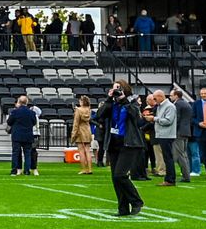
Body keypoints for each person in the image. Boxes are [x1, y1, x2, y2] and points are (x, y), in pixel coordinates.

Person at [97, 80, 146, 216]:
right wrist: (109, 98)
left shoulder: (132, 102)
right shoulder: (111, 104)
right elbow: (99, 115)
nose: (116, 92)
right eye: (114, 89)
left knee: (120, 175)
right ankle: (123, 208)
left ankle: (136, 201)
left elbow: (137, 119)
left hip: (129, 143)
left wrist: (124, 100)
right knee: (115, 178)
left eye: (118, 89)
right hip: (113, 144)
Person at [149, 91, 178, 186]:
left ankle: (170, 179)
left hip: (167, 135)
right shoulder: (161, 106)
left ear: (160, 96)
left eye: (155, 98)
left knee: (168, 158)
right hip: (162, 134)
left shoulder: (169, 106)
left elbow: (168, 121)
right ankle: (169, 179)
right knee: (166, 158)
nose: (154, 100)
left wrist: (154, 119)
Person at [6, 96, 38, 176]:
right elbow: (34, 122)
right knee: (27, 154)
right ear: (26, 103)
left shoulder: (15, 112)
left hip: (17, 135)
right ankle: (27, 171)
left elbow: (9, 122)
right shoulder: (32, 112)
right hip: (28, 135)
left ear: (19, 102)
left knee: (15, 153)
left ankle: (14, 171)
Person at [191, 86, 206, 179]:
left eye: (205, 93)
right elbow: (192, 118)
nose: (203, 95)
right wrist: (199, 123)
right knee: (203, 153)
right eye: (201, 94)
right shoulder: (196, 104)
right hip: (201, 132)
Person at [170, 89, 193, 185]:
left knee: (180, 155)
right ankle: (186, 174)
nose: (170, 97)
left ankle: (185, 176)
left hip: (179, 132)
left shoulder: (178, 104)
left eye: (171, 95)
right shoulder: (186, 103)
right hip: (186, 131)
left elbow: (177, 119)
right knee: (184, 154)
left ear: (176, 95)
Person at [71, 95, 94, 175]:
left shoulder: (78, 110)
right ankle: (90, 169)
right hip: (87, 130)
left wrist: (73, 134)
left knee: (81, 150)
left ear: (82, 102)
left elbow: (76, 123)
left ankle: (84, 169)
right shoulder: (89, 110)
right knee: (87, 150)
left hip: (80, 131)